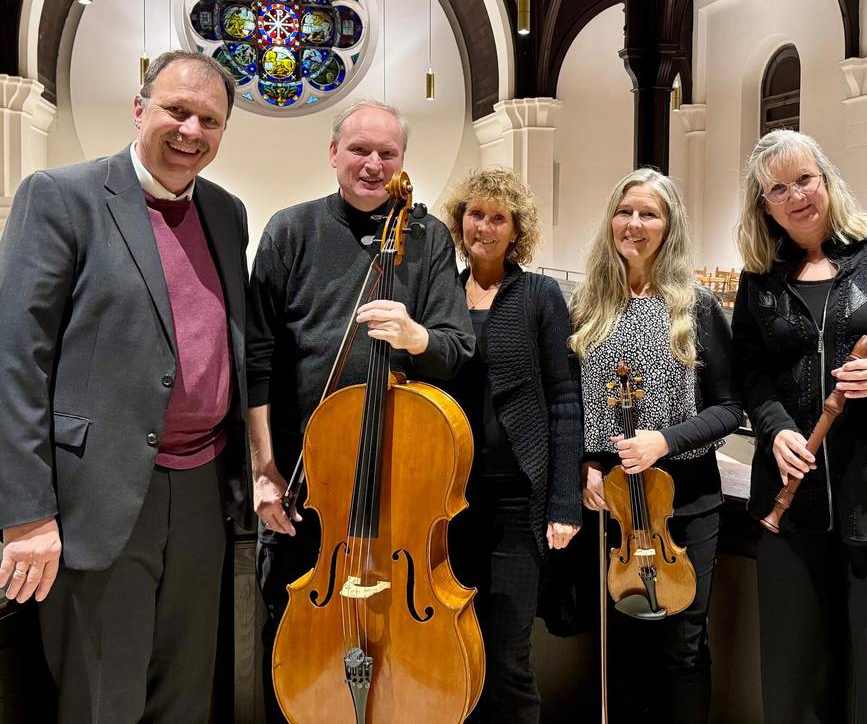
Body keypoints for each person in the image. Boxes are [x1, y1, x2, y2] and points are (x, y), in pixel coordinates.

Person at [0, 51, 249, 723]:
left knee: (186, 690)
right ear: (140, 109)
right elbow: (16, 359)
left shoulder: (227, 213)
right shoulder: (62, 196)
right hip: (101, 488)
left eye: (210, 120)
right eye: (176, 110)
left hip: (203, 487)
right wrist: (26, 514)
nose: (190, 130)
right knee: (103, 697)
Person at [246, 98, 475, 722]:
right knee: (292, 643)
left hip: (398, 495)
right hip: (306, 487)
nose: (373, 165)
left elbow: (456, 348)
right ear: (333, 154)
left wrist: (415, 336)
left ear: (403, 162)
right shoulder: (290, 231)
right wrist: (265, 472)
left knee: (400, 647)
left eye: (388, 153)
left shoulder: (426, 241)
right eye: (360, 150)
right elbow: (257, 360)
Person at [731, 128, 867, 724]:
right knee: (796, 687)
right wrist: (775, 428)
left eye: (804, 179)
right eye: (778, 188)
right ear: (764, 205)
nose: (796, 195)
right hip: (790, 509)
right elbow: (749, 373)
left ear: (825, 180)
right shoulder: (761, 278)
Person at [569, 168, 741, 724]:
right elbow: (570, 400)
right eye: (625, 212)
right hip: (613, 506)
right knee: (620, 641)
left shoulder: (696, 307)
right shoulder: (589, 304)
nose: (634, 224)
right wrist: (587, 465)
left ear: (670, 226)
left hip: (686, 501)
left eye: (649, 214)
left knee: (682, 644)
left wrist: (664, 440)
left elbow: (728, 408)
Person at [441, 168, 583, 723]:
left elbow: (566, 400)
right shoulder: (441, 293)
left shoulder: (540, 295)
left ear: (515, 230)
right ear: (460, 221)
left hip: (516, 501)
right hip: (444, 501)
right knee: (451, 647)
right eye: (476, 214)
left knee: (508, 656)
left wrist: (565, 500)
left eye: (499, 217)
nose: (485, 226)